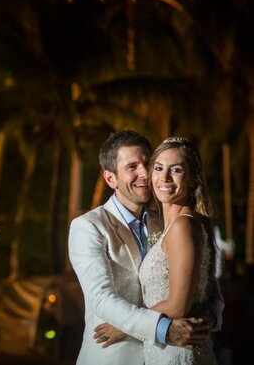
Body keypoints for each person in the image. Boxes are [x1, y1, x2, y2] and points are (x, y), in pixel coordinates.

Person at [68, 130, 223, 365]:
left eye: (147, 164)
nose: (144, 173)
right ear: (111, 179)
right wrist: (162, 328)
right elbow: (101, 299)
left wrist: (210, 315)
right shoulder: (89, 226)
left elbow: (205, 282)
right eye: (132, 167)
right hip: (115, 356)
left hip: (170, 352)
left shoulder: (168, 222)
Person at [139, 137, 220, 363]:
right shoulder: (187, 224)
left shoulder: (183, 226)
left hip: (177, 351)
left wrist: (124, 327)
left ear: (193, 180)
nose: (164, 178)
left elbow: (178, 305)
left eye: (175, 170)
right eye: (158, 168)